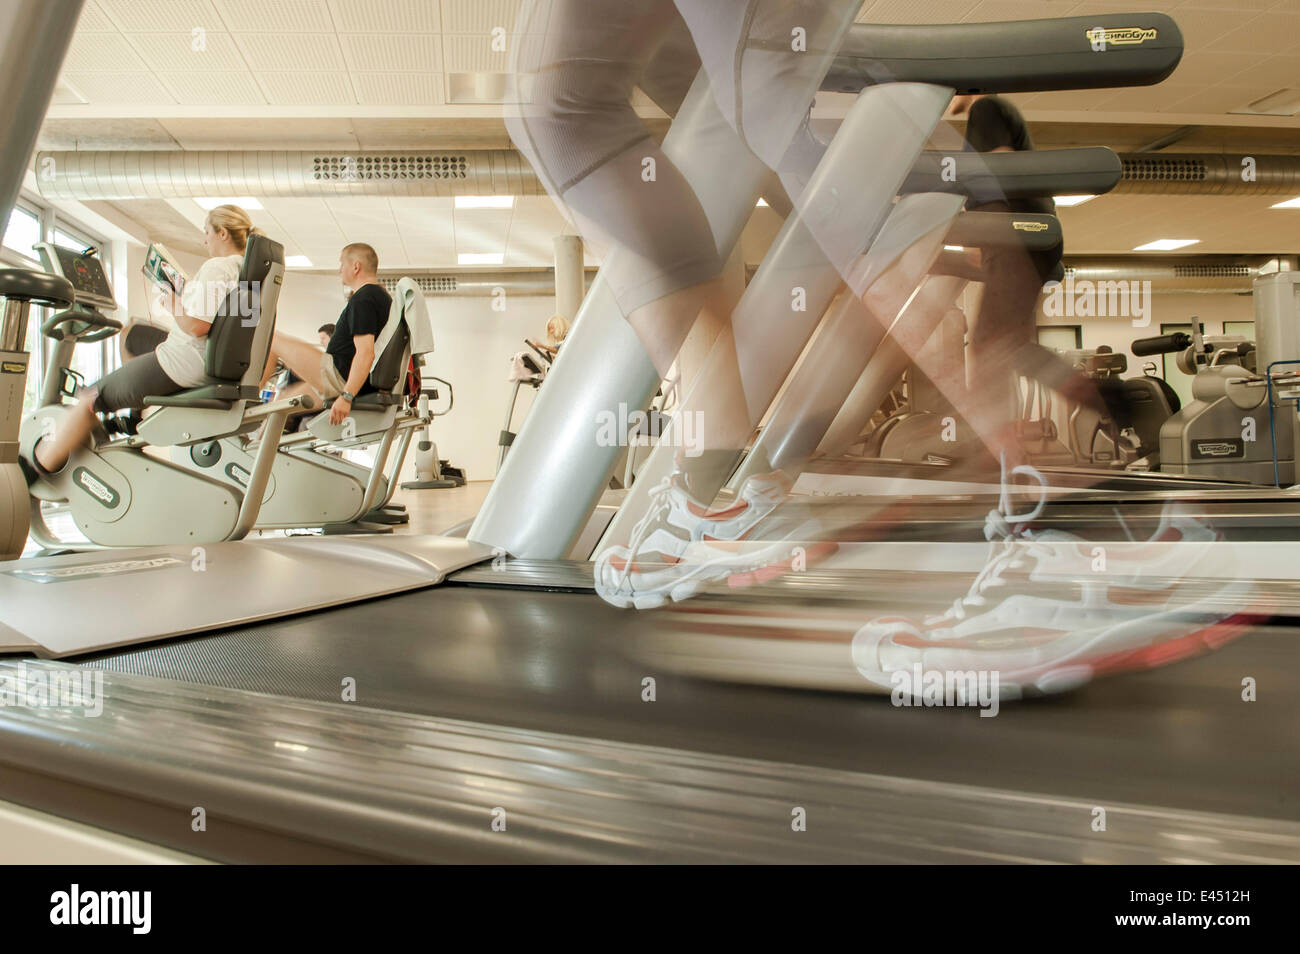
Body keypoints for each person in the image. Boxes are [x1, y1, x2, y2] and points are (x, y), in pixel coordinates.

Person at [32, 204, 260, 474]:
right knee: (135, 340)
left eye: (207, 232)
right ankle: (132, 416)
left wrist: (173, 304)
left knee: (90, 396)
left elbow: (198, 326)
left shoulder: (217, 267)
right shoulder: (248, 274)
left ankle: (35, 470)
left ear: (223, 233)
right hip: (205, 364)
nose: (205, 239)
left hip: (181, 363)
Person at [259, 243, 390, 426]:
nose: (339, 270)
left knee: (272, 339)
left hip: (337, 376)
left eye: (342, 264)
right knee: (279, 405)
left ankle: (246, 399)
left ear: (356, 266)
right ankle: (259, 448)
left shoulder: (364, 298)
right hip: (344, 377)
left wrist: (347, 396)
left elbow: (366, 353)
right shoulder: (381, 296)